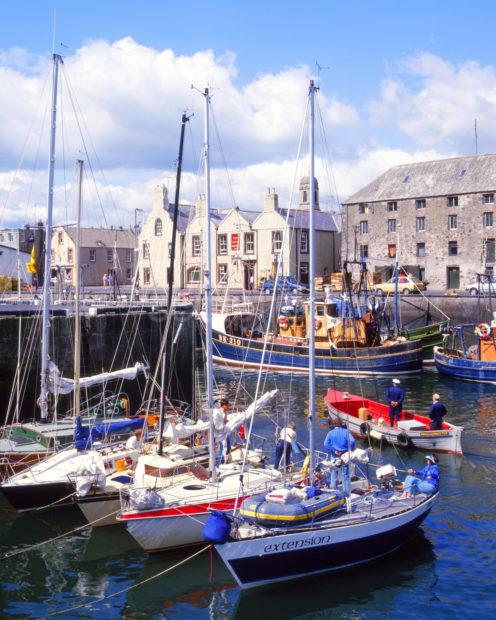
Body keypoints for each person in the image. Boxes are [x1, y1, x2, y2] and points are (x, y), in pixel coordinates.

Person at [324, 418, 356, 495]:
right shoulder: (346, 432)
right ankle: (346, 495)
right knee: (345, 476)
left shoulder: (330, 433)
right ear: (341, 423)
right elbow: (352, 441)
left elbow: (325, 444)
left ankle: (334, 494)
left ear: (334, 424)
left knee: (334, 474)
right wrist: (350, 450)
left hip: (334, 456)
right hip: (345, 456)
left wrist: (334, 450)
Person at [212, 398, 231, 464]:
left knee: (228, 449)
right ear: (224, 405)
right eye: (227, 405)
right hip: (220, 434)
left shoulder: (225, 412)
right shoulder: (218, 413)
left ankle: (224, 461)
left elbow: (224, 422)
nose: (229, 407)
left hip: (225, 433)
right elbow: (218, 425)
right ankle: (219, 464)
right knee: (222, 449)